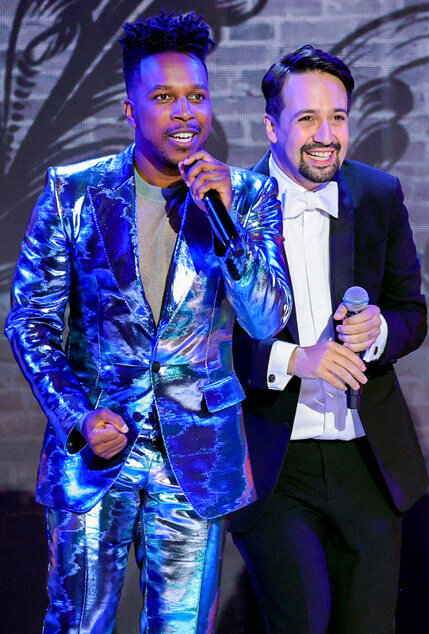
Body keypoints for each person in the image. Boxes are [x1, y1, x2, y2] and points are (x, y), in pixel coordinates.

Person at [3, 11, 292, 632]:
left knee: (184, 625)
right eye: (163, 98)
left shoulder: (246, 196)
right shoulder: (71, 192)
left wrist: (227, 227)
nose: (184, 112)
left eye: (196, 96)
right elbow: (30, 320)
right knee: (80, 622)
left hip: (194, 451)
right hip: (96, 447)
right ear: (130, 110)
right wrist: (77, 415)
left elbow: (266, 319)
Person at [229, 46, 429, 633]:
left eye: (337, 117)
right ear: (272, 126)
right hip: (273, 462)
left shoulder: (377, 194)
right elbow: (201, 341)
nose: (326, 135)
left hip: (367, 460)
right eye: (307, 118)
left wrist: (381, 330)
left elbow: (412, 312)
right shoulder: (229, 207)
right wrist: (296, 358)